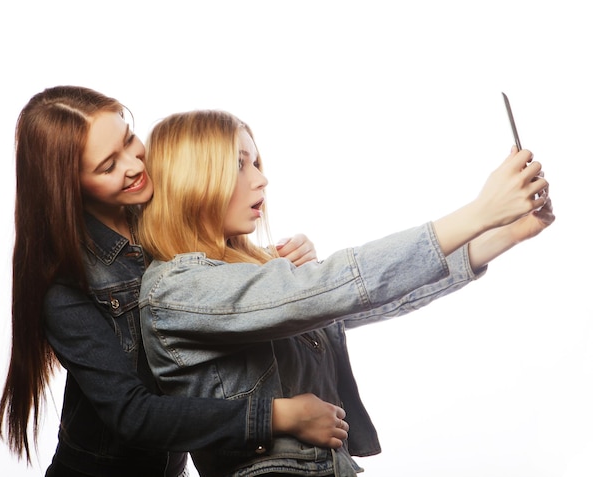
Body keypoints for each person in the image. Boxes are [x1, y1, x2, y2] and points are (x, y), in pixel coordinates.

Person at [137, 109, 555, 477]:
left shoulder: (246, 270)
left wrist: (507, 234)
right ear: (194, 178)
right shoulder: (177, 289)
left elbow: (356, 299)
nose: (262, 178)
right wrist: (478, 213)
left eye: (257, 162)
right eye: (239, 164)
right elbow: (331, 287)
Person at [0, 86, 351, 477]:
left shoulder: (159, 212)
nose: (133, 164)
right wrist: (276, 416)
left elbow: (219, 280)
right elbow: (132, 414)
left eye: (130, 140)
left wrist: (276, 264)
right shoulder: (64, 285)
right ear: (69, 185)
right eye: (108, 165)